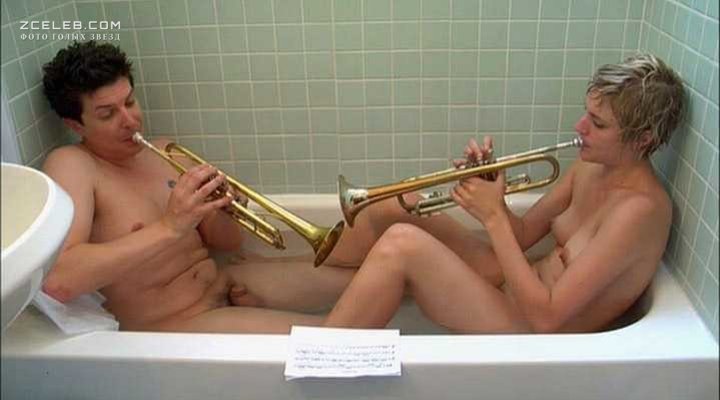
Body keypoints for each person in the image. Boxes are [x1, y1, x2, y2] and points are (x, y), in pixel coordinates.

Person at [321, 54, 686, 333]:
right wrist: (490, 188)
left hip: (530, 328)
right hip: (516, 284)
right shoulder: (592, 166)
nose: (580, 127)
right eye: (586, 114)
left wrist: (493, 215)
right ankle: (302, 261)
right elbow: (524, 234)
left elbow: (547, 317)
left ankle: (321, 352)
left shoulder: (641, 211)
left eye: (598, 124)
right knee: (398, 206)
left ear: (643, 139)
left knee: (401, 245)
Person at [39, 41, 332, 333]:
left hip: (224, 284)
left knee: (355, 283)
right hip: (180, 322)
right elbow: (61, 280)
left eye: (129, 102)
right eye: (107, 114)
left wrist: (227, 209)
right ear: (76, 125)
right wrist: (169, 227)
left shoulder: (164, 151)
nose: (130, 121)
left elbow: (228, 243)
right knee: (333, 337)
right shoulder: (74, 165)